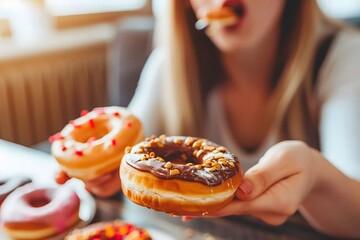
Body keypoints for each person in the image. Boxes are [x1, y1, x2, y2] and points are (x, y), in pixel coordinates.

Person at [57, 0, 360, 238]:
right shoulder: (170, 64)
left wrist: (316, 176)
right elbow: (129, 165)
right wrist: (102, 177)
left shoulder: (344, 57)